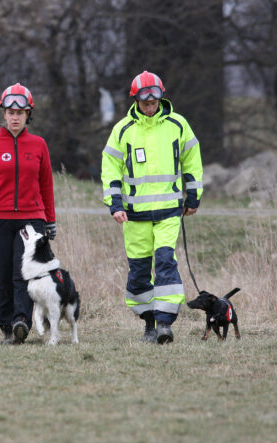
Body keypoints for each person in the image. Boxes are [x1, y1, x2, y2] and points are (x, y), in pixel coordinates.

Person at [101, 71, 203, 344]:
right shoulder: (122, 130)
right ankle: (149, 322)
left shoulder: (178, 125)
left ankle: (165, 324)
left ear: (161, 97)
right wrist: (115, 205)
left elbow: (192, 160)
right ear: (135, 100)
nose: (150, 107)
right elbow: (110, 169)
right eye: (145, 102)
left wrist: (193, 196)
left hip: (170, 211)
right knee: (138, 275)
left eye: (154, 101)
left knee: (166, 263)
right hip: (134, 216)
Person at [0, 83, 56, 345]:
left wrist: (50, 220)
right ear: (3, 113)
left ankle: (22, 321)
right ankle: (7, 326)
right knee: (3, 274)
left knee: (25, 273)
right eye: (10, 111)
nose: (15, 116)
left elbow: (46, 185)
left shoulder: (39, 144)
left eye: (21, 112)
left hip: (32, 219)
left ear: (28, 114)